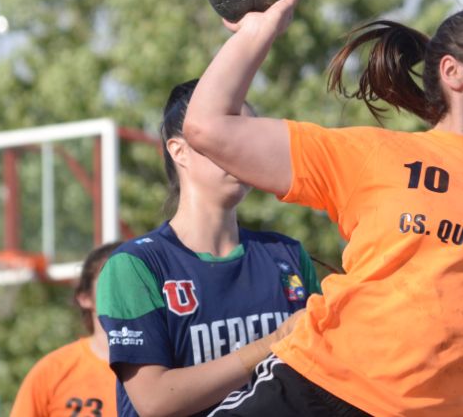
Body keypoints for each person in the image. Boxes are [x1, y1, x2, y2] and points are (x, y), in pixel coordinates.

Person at [183, 0, 463, 417]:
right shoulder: (376, 155)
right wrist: (257, 32)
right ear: (453, 72)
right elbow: (207, 126)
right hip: (315, 390)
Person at [96, 79, 322, 417]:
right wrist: (272, 343)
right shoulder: (136, 266)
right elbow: (156, 400)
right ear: (179, 150)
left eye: (249, 136)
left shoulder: (286, 255)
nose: (241, 149)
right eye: (224, 135)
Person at [11, 240, 121, 417]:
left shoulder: (167, 370)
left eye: (132, 284)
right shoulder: (51, 371)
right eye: (110, 283)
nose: (123, 293)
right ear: (85, 297)